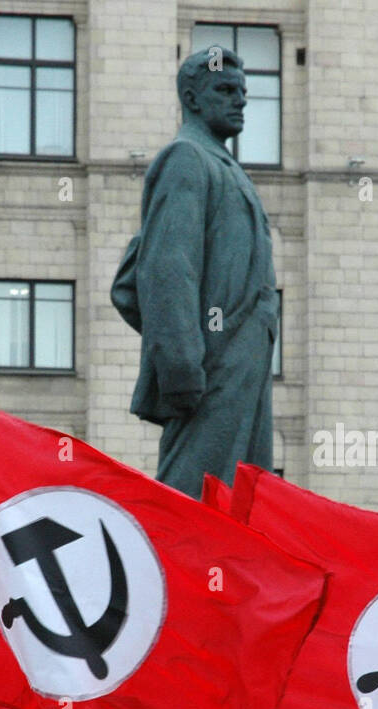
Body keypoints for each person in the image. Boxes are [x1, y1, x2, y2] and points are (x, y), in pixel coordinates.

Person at [112, 47, 279, 499]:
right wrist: (181, 362)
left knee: (240, 501)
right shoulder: (186, 158)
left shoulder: (226, 168)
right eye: (225, 90)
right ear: (192, 96)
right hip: (211, 368)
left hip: (245, 368)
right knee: (193, 504)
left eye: (243, 92)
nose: (240, 100)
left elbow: (134, 280)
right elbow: (167, 268)